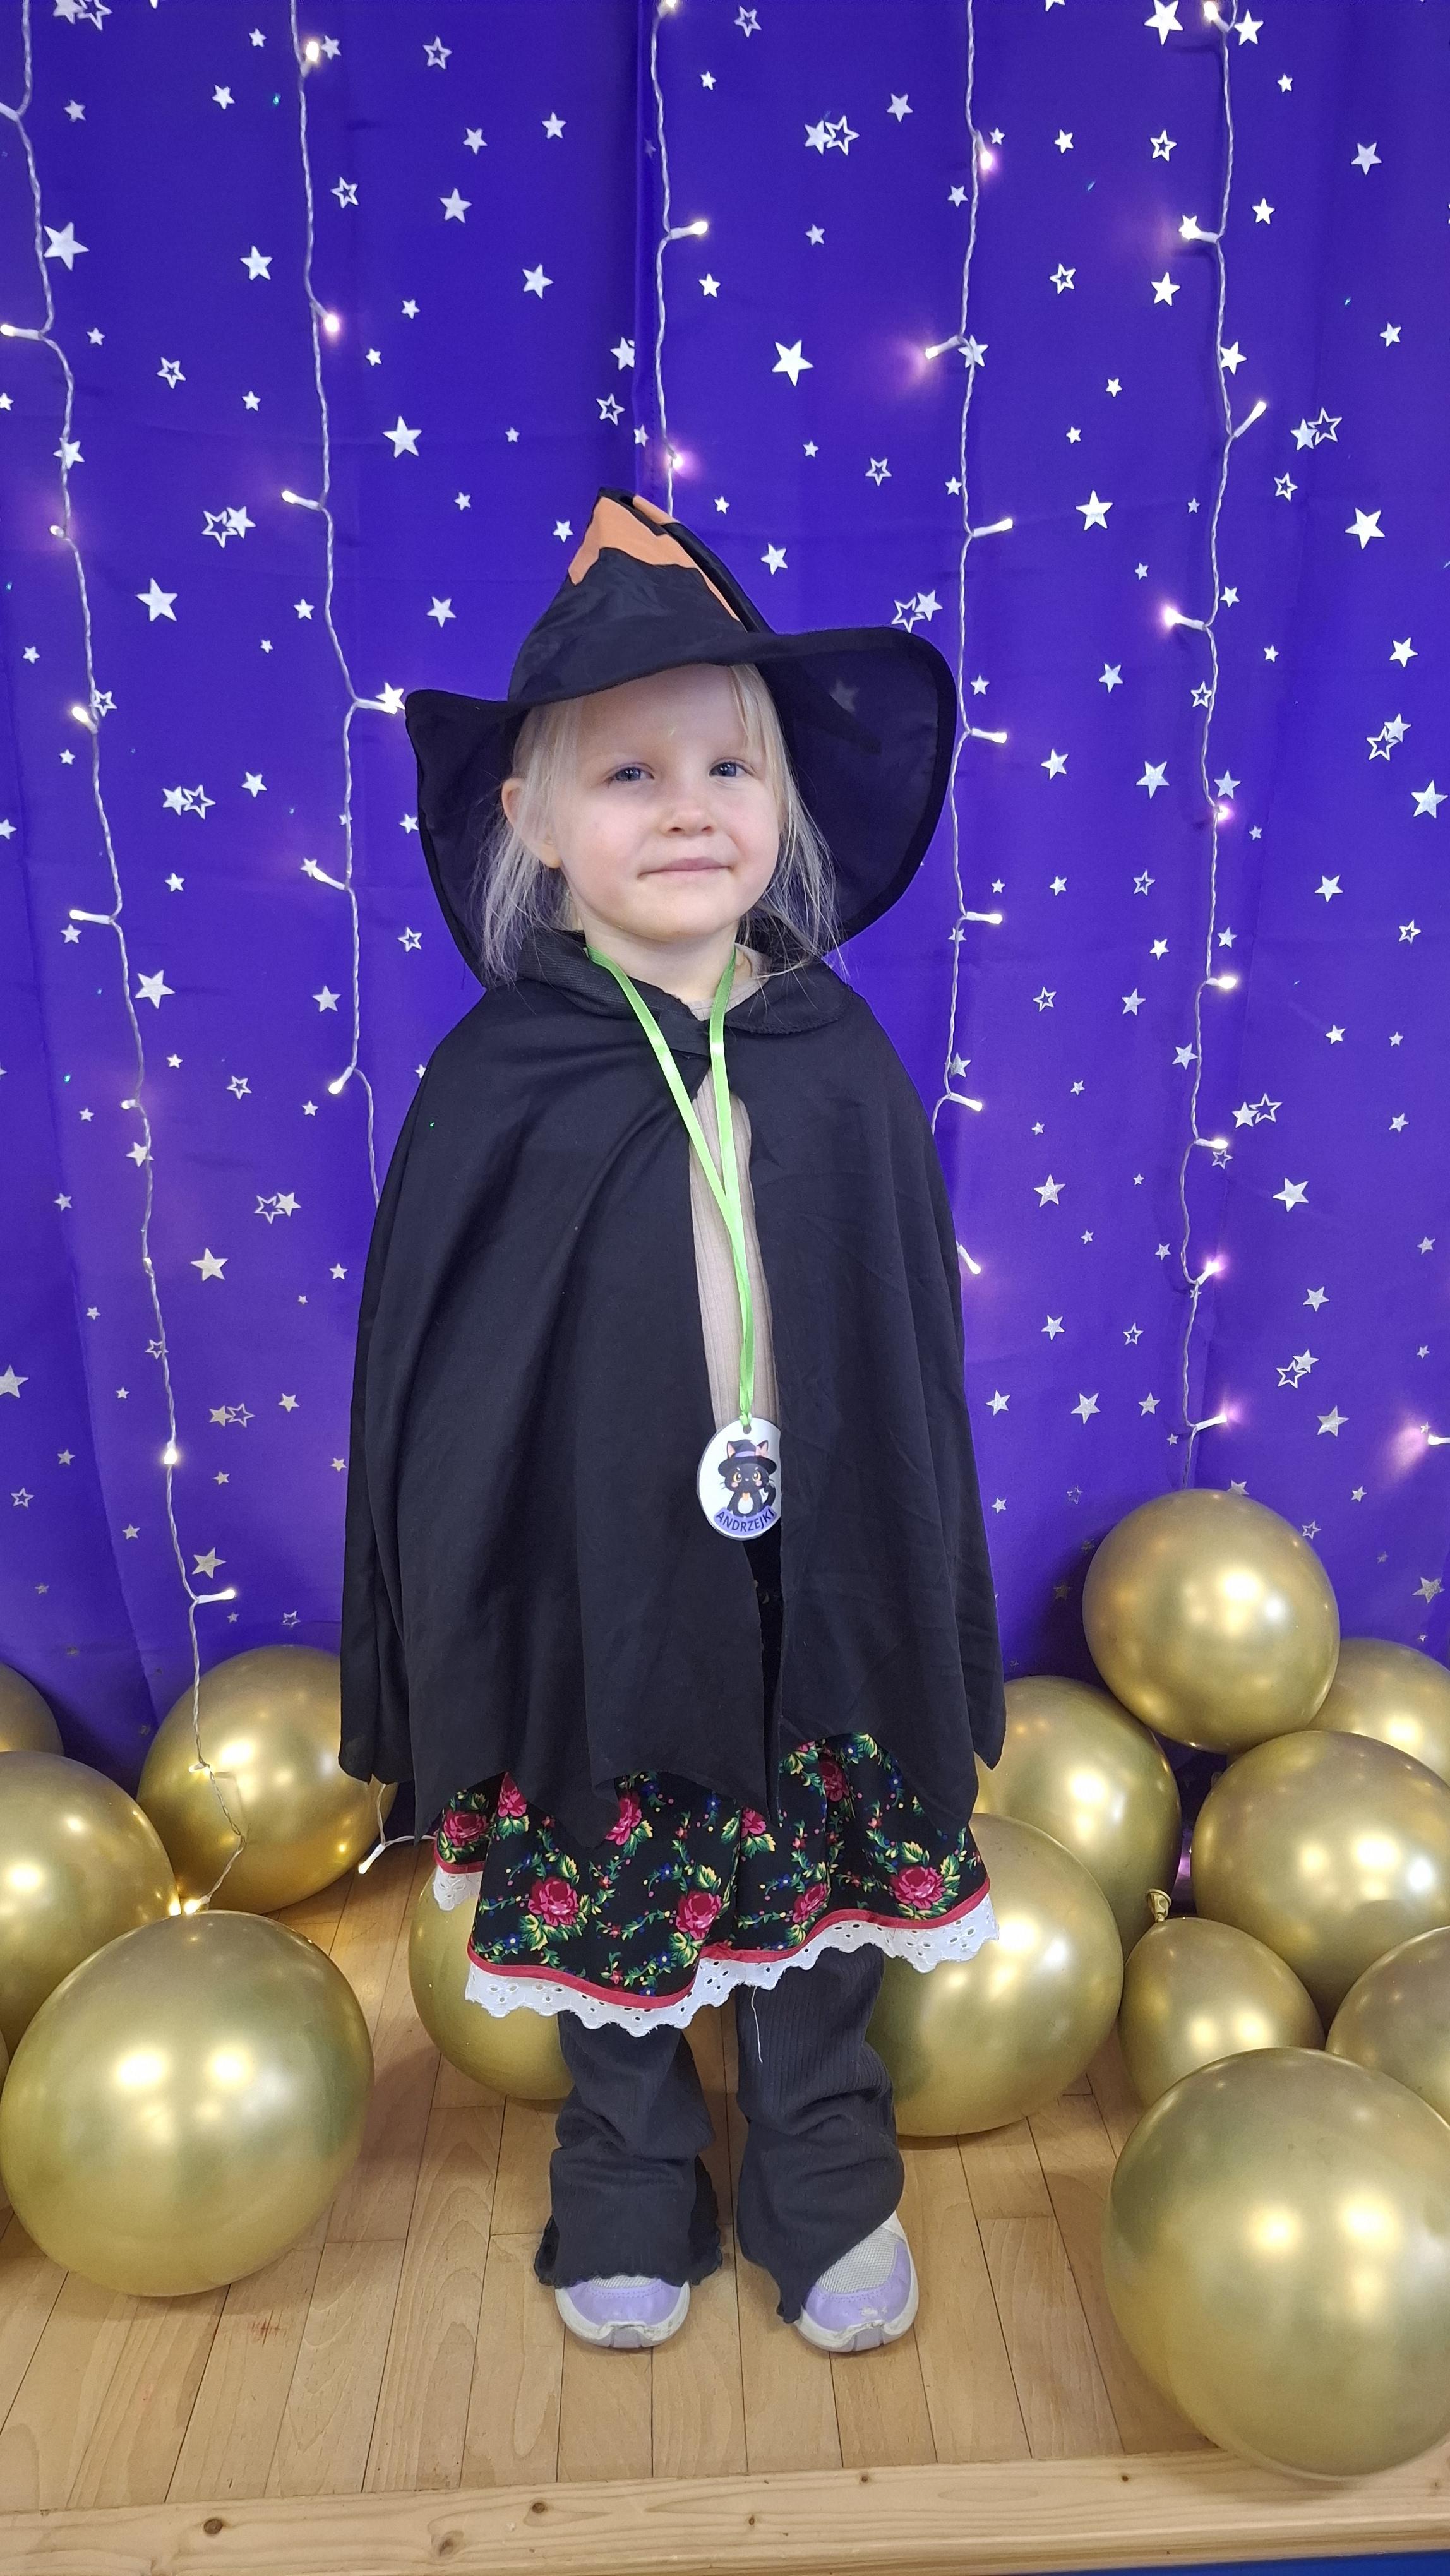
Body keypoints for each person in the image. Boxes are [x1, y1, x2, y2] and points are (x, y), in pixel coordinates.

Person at [340, 487, 1007, 2358]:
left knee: (817, 1857)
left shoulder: (836, 1056)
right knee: (610, 1856)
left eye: (730, 764)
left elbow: (900, 1358)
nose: (693, 807)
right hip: (595, 1566)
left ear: (782, 802)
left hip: (815, 1550)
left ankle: (822, 2160)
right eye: (630, 774)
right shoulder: (501, 1080)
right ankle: (630, 2166)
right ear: (533, 825)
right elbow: (440, 1384)